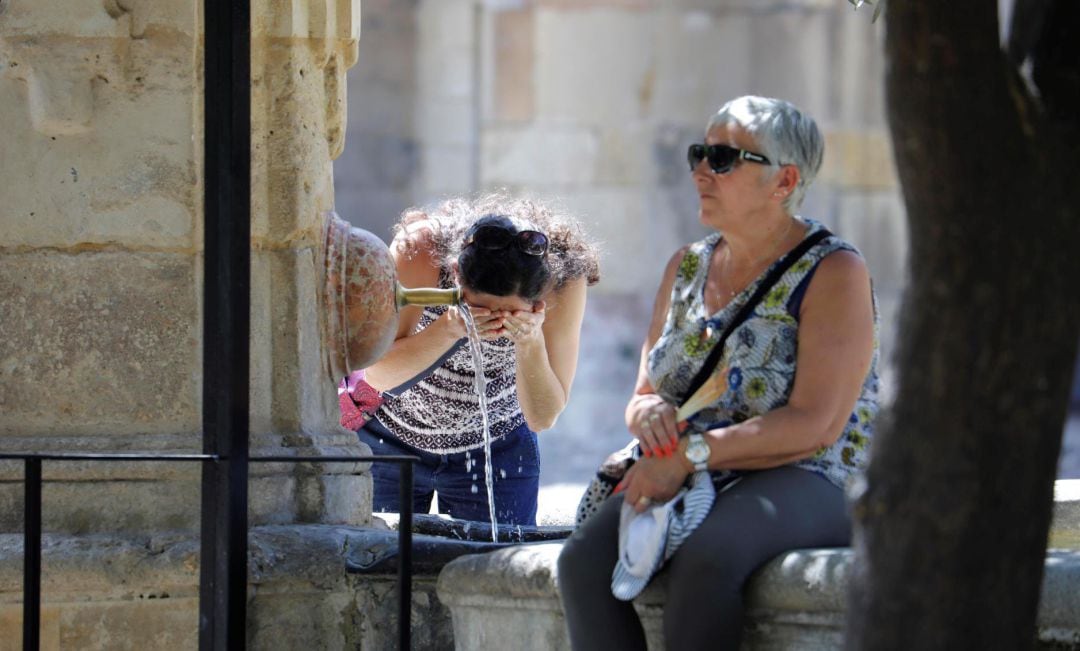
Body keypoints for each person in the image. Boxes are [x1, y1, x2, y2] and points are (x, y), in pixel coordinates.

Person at [557, 95, 879, 649]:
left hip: (811, 472)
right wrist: (650, 416)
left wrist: (687, 457)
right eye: (700, 153)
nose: (702, 170)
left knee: (707, 560)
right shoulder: (686, 265)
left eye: (725, 158)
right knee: (581, 563)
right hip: (692, 468)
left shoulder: (834, 270)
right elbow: (643, 392)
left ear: (784, 181)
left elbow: (815, 425)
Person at [354, 193, 600, 526]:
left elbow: (542, 416)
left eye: (511, 312)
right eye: (479, 309)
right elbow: (377, 375)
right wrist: (450, 328)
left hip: (497, 448)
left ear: (540, 293)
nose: (496, 321)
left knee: (496, 569)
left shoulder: (565, 280)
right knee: (375, 563)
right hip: (392, 440)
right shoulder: (421, 250)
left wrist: (529, 341)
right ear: (455, 274)